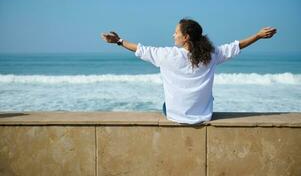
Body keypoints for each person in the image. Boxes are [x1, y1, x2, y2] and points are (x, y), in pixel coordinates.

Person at [100, 18, 277, 124]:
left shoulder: (166, 55)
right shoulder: (212, 54)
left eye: (175, 32)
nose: (173, 35)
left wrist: (118, 41)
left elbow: (139, 48)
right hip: (204, 115)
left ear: (185, 37)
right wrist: (258, 36)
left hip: (174, 116)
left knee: (165, 103)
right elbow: (235, 46)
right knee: (209, 96)